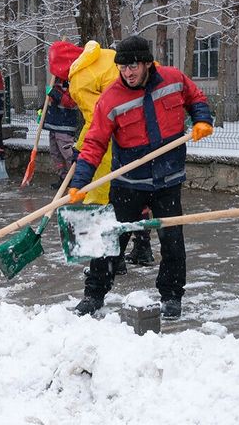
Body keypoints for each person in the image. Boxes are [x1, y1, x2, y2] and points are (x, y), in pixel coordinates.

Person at [65, 35, 213, 318]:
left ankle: (171, 296)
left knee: (172, 240)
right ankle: (94, 294)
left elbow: (195, 97)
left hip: (168, 179)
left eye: (133, 66)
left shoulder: (173, 79)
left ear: (147, 63)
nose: (128, 73)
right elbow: (94, 142)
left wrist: (202, 118)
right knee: (112, 239)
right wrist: (80, 182)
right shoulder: (111, 98)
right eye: (122, 67)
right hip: (129, 182)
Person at [49, 39, 153, 271]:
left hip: (116, 136)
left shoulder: (78, 81)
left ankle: (110, 261)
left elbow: (98, 118)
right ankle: (142, 248)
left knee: (101, 195)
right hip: (142, 126)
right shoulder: (103, 55)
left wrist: (81, 148)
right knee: (136, 191)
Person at [43, 78, 79, 189]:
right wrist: (43, 108)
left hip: (65, 126)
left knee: (68, 154)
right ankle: (64, 178)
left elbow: (71, 102)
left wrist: (55, 93)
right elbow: (51, 101)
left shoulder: (72, 82)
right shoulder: (54, 80)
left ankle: (76, 178)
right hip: (53, 124)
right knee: (55, 154)